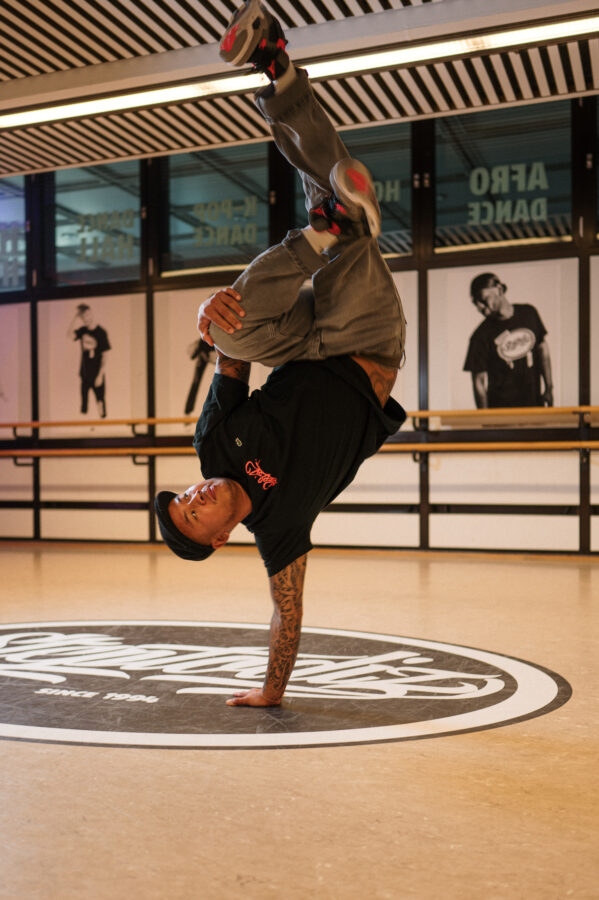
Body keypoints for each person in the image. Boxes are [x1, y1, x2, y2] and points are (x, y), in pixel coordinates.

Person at [154, 0, 407, 708]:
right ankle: (327, 216)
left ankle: (278, 74)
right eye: (193, 517)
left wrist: (214, 314)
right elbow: (286, 614)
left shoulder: (214, 446)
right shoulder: (278, 528)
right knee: (325, 191)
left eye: (186, 500)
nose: (196, 497)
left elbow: (234, 356)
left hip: (302, 339)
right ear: (219, 539)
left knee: (225, 331)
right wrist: (270, 691)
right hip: (364, 341)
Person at [463, 272, 553, 409]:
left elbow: (543, 350)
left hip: (534, 405)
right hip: (501, 412)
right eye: (476, 303)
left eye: (483, 299)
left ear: (499, 289)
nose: (480, 307)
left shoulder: (529, 313)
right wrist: (484, 417)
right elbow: (478, 381)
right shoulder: (480, 336)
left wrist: (549, 388)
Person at [66, 303, 111, 418]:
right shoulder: (83, 330)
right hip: (85, 373)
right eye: (82, 316)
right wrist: (75, 318)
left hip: (97, 373)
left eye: (86, 315)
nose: (85, 318)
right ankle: (83, 421)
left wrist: (100, 375)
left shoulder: (101, 332)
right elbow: (69, 335)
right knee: (84, 404)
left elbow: (105, 356)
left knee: (100, 402)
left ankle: (102, 423)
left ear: (91, 313)